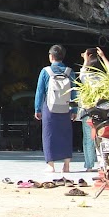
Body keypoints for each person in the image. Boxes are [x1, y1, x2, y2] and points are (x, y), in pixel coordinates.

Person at [34, 44, 75, 174]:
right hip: (65, 107)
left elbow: (40, 92)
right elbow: (74, 92)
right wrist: (74, 110)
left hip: (49, 108)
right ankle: (66, 166)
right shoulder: (70, 71)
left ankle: (51, 165)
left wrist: (37, 109)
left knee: (49, 135)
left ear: (51, 56)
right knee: (66, 135)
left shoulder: (45, 71)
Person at [78, 47, 109, 172]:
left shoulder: (87, 77)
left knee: (88, 138)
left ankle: (89, 165)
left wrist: (85, 60)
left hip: (89, 110)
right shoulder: (105, 78)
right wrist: (103, 56)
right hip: (104, 111)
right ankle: (102, 164)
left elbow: (82, 71)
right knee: (103, 137)